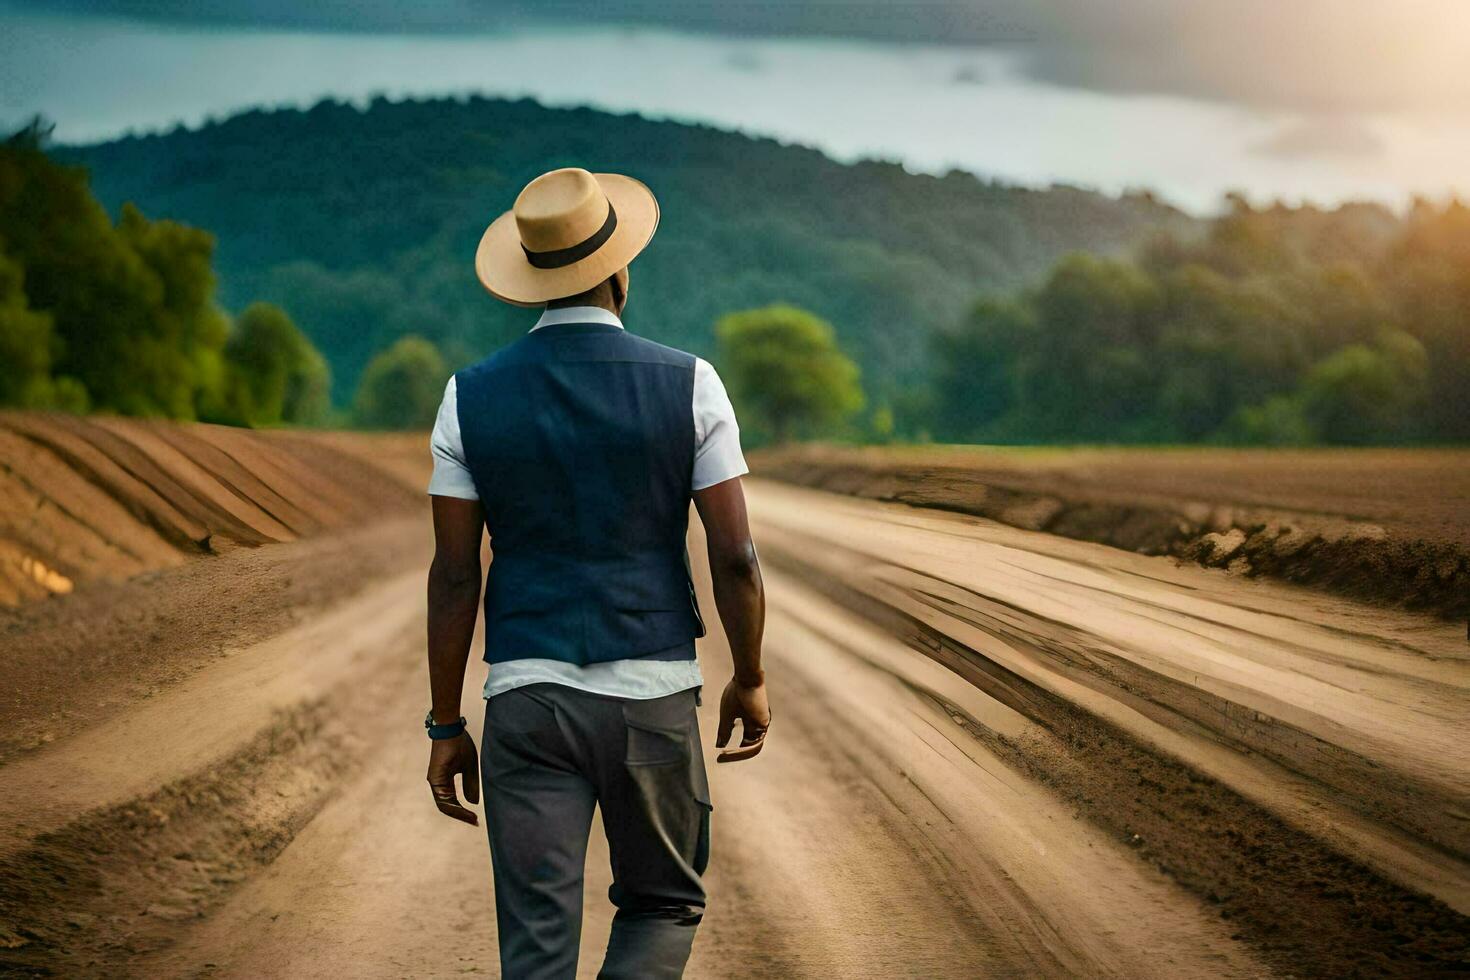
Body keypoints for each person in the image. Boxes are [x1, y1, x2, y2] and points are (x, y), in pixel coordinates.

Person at [422, 167, 770, 979]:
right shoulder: (691, 384)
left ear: (534, 277)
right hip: (653, 696)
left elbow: (452, 576)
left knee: (537, 941)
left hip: (526, 700)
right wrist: (747, 674)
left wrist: (446, 725)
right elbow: (735, 556)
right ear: (619, 272)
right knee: (660, 903)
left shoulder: (467, 397)